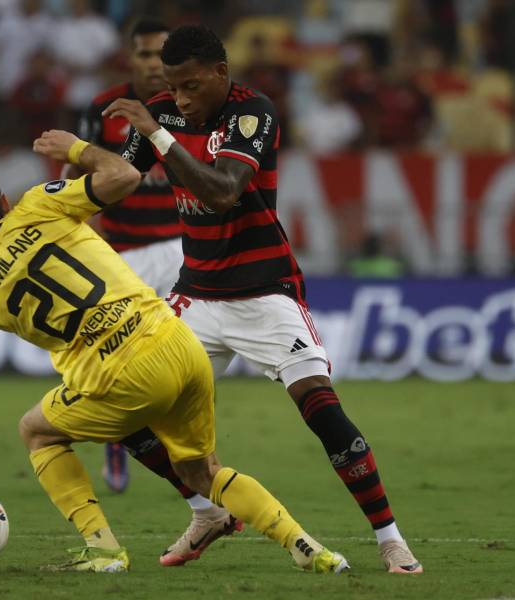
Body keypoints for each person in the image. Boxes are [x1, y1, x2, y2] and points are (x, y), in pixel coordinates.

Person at [0, 129, 350, 574]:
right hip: (179, 344)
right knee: (203, 472)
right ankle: (307, 546)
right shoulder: (39, 204)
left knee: (37, 430)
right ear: (4, 202)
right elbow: (123, 174)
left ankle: (103, 550)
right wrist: (77, 149)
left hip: (120, 375)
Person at [103, 24, 423, 574]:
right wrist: (78, 161)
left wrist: (158, 134)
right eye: (173, 88)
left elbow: (223, 191)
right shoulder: (163, 111)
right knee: (122, 411)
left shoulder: (254, 113)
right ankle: (206, 513)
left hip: (265, 292)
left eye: (190, 86)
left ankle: (391, 540)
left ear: (221, 74)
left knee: (322, 411)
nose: (180, 98)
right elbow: (123, 179)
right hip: (196, 297)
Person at [68, 18, 184, 495]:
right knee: (117, 357)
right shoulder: (103, 108)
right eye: (144, 54)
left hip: (182, 251)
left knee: (180, 360)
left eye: (162, 55)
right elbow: (73, 175)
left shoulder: (188, 104)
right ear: (130, 57)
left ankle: (177, 445)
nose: (154, 64)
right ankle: (120, 437)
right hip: (123, 254)